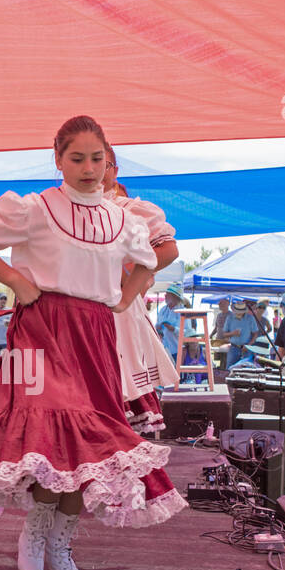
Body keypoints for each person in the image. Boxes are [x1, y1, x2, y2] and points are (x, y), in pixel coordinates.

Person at [0, 115, 187, 570]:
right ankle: (35, 532)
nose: (88, 167)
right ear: (58, 159)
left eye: (96, 158)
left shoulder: (123, 218)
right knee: (45, 429)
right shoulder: (35, 208)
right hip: (40, 331)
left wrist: (123, 298)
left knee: (90, 443)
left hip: (95, 337)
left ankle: (62, 541)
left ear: (107, 160)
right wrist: (18, 281)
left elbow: (151, 262)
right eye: (76, 157)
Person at [103, 141, 179, 432]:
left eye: (102, 162)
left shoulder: (130, 210)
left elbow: (167, 250)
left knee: (119, 398)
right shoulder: (67, 208)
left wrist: (127, 279)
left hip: (119, 313)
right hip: (82, 312)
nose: (93, 169)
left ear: (114, 170)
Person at [221, 299, 260, 368]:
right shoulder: (230, 318)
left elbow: (255, 333)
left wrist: (249, 345)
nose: (238, 313)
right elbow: (224, 334)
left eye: (240, 312)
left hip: (247, 348)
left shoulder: (250, 318)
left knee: (247, 370)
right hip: (233, 347)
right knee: (229, 369)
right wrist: (233, 333)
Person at [155, 283, 186, 360]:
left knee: (176, 371)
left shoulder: (182, 311)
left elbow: (186, 332)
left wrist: (173, 329)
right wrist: (158, 328)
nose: (165, 296)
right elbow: (157, 324)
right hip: (163, 348)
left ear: (175, 296)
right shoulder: (163, 310)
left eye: (167, 295)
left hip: (176, 349)